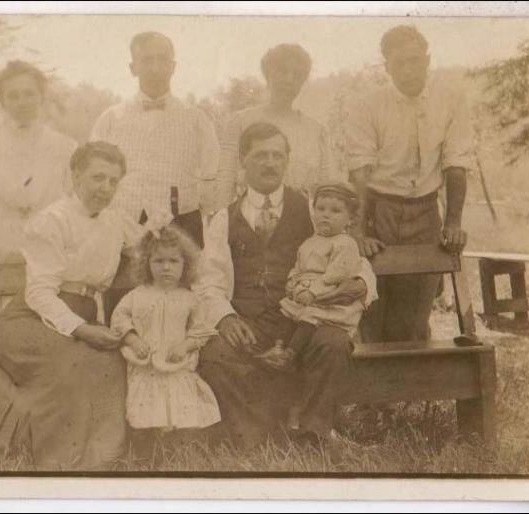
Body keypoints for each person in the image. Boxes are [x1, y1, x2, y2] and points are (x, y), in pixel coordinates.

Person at [0, 142, 148, 471]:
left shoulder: (115, 221)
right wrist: (82, 329)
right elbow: (40, 294)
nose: (105, 189)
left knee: (111, 365)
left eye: (113, 181)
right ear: (75, 176)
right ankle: (58, 467)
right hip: (29, 323)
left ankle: (101, 463)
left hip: (83, 322)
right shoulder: (51, 220)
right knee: (74, 364)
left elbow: (149, 242)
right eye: (97, 178)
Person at [195, 122, 377, 450]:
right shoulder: (223, 218)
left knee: (333, 342)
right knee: (215, 354)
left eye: (278, 155)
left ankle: (313, 433)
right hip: (251, 322)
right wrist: (225, 317)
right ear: (243, 161)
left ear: (287, 160)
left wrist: (358, 285)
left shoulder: (312, 209)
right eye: (261, 155)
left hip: (303, 319)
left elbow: (355, 261)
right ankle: (261, 436)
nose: (270, 163)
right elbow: (210, 280)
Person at [345, 25, 474, 342]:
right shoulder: (367, 105)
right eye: (398, 63)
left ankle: (415, 389)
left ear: (427, 60)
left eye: (414, 61)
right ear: (386, 66)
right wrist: (359, 231)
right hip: (378, 211)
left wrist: (454, 222)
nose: (407, 70)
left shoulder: (451, 100)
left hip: (426, 212)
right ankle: (376, 390)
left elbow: (456, 163)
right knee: (373, 310)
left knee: (415, 316)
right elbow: (359, 172)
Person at [90, 30, 221, 316]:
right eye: (146, 60)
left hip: (180, 227)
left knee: (180, 312)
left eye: (162, 60)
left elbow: (213, 184)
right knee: (122, 314)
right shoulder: (111, 119)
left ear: (173, 66)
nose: (155, 67)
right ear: (132, 67)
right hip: (123, 230)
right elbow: (94, 181)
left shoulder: (196, 119)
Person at [0, 61, 77, 361]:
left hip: (51, 250)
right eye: (13, 95)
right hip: (4, 247)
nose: (22, 102)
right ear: (2, 101)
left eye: (29, 94)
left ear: (41, 97)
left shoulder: (65, 147)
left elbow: (74, 206)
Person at [111, 225, 220, 436]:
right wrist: (132, 339)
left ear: (185, 265)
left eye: (173, 261)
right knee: (145, 411)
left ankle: (180, 443)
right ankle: (148, 444)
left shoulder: (190, 298)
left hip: (175, 364)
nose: (166, 268)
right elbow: (119, 317)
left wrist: (186, 345)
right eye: (158, 261)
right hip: (146, 366)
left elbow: (202, 329)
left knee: (181, 411)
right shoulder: (137, 295)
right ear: (146, 264)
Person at [217, 43, 340, 208]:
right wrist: (221, 219)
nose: (289, 79)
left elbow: (327, 185)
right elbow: (225, 177)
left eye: (297, 75)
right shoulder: (241, 121)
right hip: (249, 218)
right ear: (268, 76)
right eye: (282, 72)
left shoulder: (316, 130)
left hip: (301, 219)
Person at [259, 182, 366, 373]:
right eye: (320, 209)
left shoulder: (345, 244)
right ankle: (278, 346)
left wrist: (313, 292)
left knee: (308, 317)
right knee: (287, 311)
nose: (326, 215)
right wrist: (292, 282)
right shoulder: (310, 242)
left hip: (327, 297)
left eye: (335, 211)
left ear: (349, 219)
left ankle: (289, 355)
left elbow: (336, 275)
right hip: (304, 291)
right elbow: (298, 266)